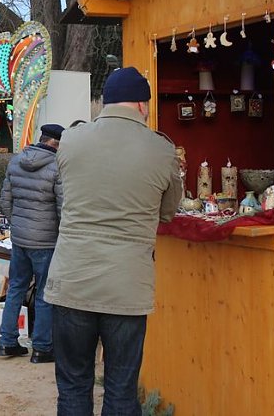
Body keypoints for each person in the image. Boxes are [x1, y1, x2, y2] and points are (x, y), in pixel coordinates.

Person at [44, 66, 183, 415]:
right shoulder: (161, 150)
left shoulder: (73, 138)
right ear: (142, 105)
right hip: (126, 289)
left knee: (74, 387)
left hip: (72, 280)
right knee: (121, 391)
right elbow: (167, 212)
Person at [0, 123, 64, 364]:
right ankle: (42, 347)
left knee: (16, 288)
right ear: (56, 143)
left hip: (20, 238)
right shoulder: (57, 167)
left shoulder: (16, 161)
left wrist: (18, 223)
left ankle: (7, 342)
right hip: (46, 241)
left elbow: (5, 199)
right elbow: (62, 207)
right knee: (45, 293)